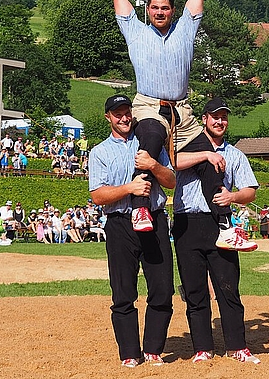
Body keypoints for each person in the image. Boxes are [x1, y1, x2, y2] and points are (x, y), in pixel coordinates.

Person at [113, 0, 236, 248]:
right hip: (148, 106)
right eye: (154, 7)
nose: (159, 12)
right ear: (148, 9)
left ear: (172, 10)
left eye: (165, 8)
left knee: (212, 159)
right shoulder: (136, 31)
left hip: (182, 111)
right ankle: (140, 206)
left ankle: (224, 224)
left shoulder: (185, 30)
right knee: (151, 137)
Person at [88, 94, 176, 368]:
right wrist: (130, 189)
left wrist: (154, 166)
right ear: (108, 118)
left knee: (162, 289)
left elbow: (171, 180)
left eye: (127, 112)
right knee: (123, 293)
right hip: (119, 225)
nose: (124, 118)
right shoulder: (100, 152)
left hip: (156, 220)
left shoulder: (149, 142)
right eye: (118, 114)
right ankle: (129, 353)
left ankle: (152, 349)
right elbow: (98, 196)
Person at [172, 97, 261, 364]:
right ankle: (203, 348)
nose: (220, 121)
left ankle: (237, 346)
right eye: (215, 116)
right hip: (186, 223)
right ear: (204, 119)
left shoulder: (235, 155)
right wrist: (206, 155)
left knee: (228, 288)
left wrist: (233, 197)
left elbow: (251, 191)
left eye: (224, 117)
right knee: (195, 290)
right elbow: (172, 162)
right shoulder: (186, 149)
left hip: (220, 227)